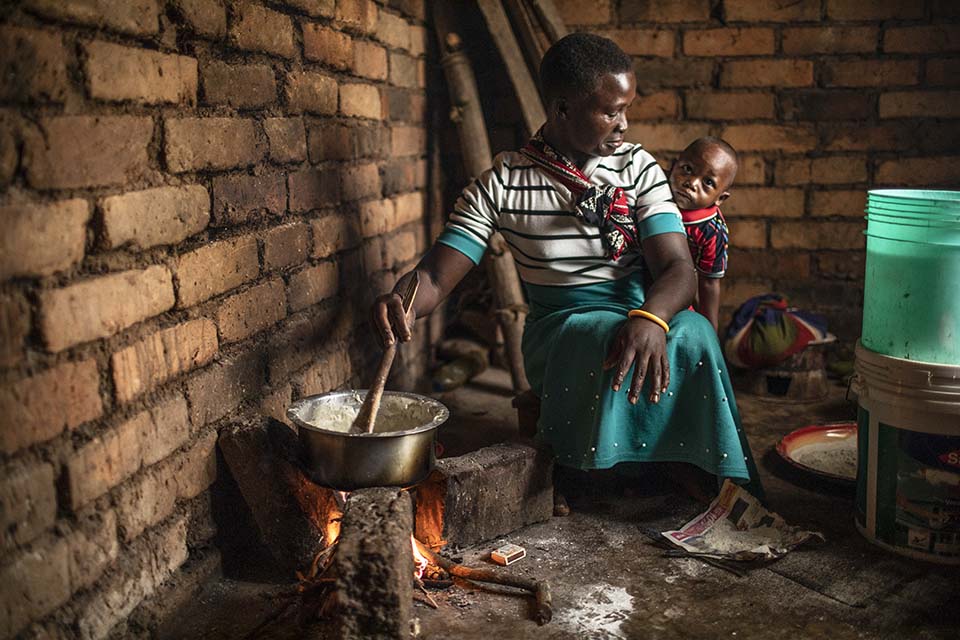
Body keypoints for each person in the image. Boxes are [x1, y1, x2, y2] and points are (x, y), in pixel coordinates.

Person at [372, 33, 762, 503]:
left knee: (694, 331)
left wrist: (651, 317)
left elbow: (679, 269)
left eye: (626, 109)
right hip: (562, 328)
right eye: (610, 111)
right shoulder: (502, 184)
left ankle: (684, 465)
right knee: (598, 332)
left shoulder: (638, 167)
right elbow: (434, 277)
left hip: (644, 311)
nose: (624, 124)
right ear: (561, 110)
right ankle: (595, 473)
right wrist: (404, 301)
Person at [668, 137, 738, 333]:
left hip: (676, 285)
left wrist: (710, 330)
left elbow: (708, 282)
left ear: (720, 198)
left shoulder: (712, 230)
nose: (691, 183)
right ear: (674, 165)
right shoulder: (652, 187)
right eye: (688, 169)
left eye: (708, 182)